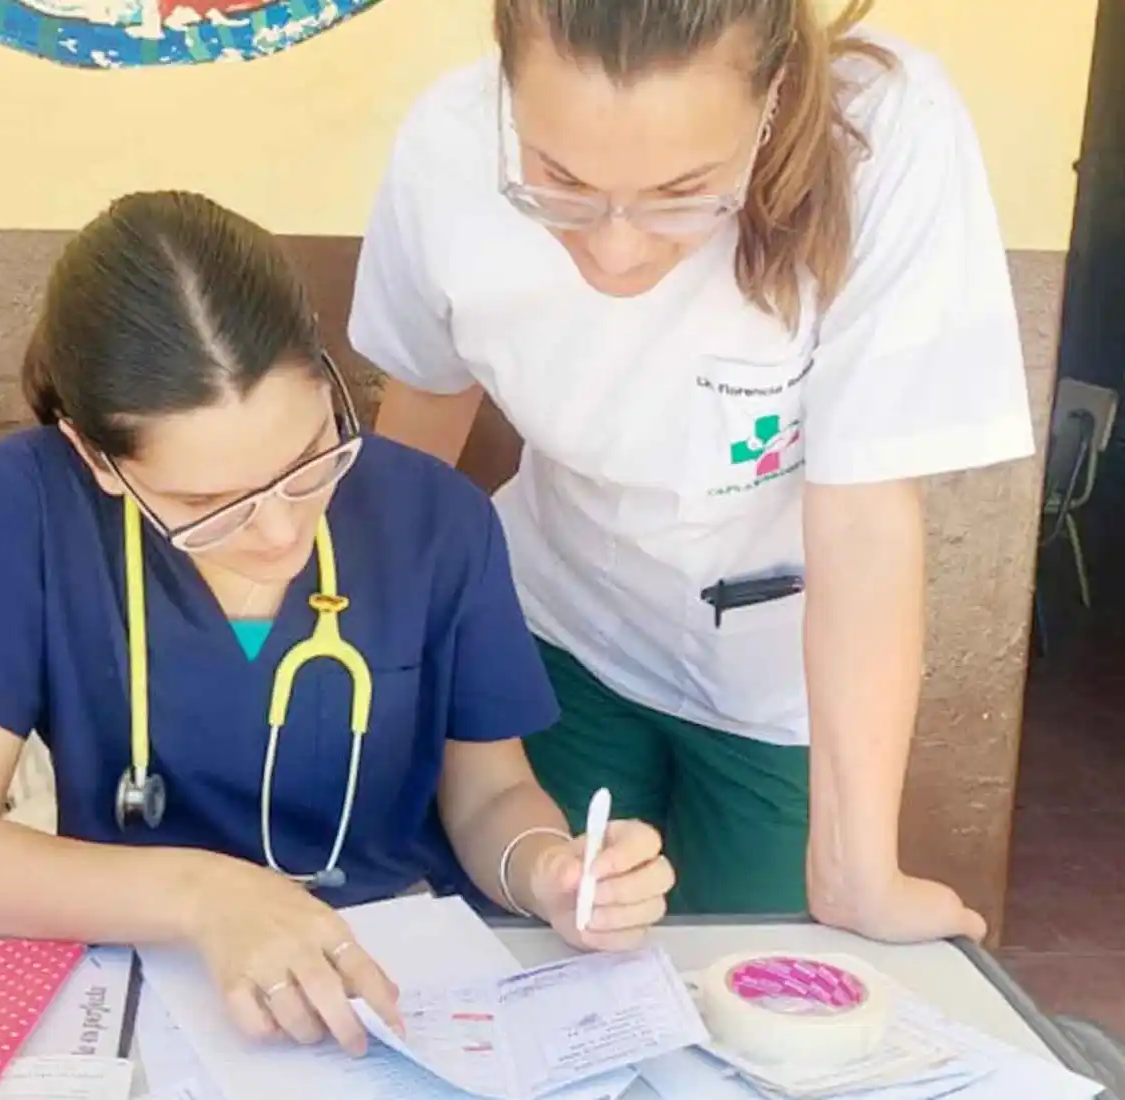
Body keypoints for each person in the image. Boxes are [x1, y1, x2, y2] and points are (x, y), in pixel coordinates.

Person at [0, 190, 675, 1055]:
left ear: (327, 379)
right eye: (208, 505)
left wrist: (545, 870)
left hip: (389, 994)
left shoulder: (433, 518)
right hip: (142, 987)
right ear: (96, 459)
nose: (280, 531)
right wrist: (203, 897)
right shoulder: (27, 506)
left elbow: (493, 794)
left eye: (309, 460)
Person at [350, 0, 1032, 944]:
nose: (617, 249)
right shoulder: (448, 146)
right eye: (561, 182)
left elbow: (866, 517)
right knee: (557, 946)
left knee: (762, 975)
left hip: (783, 672)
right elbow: (419, 428)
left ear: (774, 95)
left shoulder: (888, 135)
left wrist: (858, 873)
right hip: (557, 631)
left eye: (684, 192)